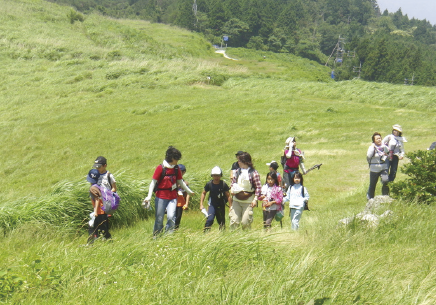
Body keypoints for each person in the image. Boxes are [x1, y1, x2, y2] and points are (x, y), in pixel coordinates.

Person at [142, 146, 194, 236]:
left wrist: (188, 191)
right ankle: (156, 237)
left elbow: (180, 182)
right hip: (161, 197)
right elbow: (153, 183)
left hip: (173, 197)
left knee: (171, 217)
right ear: (172, 158)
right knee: (159, 218)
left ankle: (168, 237)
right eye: (176, 159)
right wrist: (149, 197)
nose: (177, 161)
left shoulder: (176, 168)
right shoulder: (160, 168)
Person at [230, 152, 262, 230]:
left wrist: (255, 199)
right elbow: (233, 182)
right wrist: (232, 189)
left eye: (239, 160)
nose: (238, 162)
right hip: (236, 200)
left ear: (245, 161)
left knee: (245, 222)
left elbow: (258, 187)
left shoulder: (254, 173)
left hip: (248, 202)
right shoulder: (237, 172)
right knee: (234, 221)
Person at [200, 166, 232, 232]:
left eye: (218, 176)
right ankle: (206, 233)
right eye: (214, 176)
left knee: (221, 221)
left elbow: (228, 196)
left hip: (221, 205)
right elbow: (203, 193)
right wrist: (201, 204)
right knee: (210, 219)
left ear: (220, 176)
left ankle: (222, 234)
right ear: (212, 176)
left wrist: (230, 207)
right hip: (212, 205)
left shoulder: (223, 184)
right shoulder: (209, 184)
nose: (216, 177)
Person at [367, 132, 390, 199]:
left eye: (380, 138)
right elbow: (369, 155)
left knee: (385, 181)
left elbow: (389, 157)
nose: (379, 140)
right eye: (377, 139)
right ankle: (370, 198)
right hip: (374, 169)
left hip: (383, 167)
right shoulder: (372, 148)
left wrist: (387, 155)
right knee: (373, 184)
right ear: (374, 140)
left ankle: (385, 196)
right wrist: (372, 147)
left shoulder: (385, 147)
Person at [174, 164, 190, 230]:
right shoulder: (172, 181)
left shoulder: (184, 183)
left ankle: (175, 231)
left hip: (180, 203)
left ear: (183, 172)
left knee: (178, 218)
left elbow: (188, 193)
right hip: (172, 202)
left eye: (180, 171)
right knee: (171, 217)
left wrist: (186, 204)